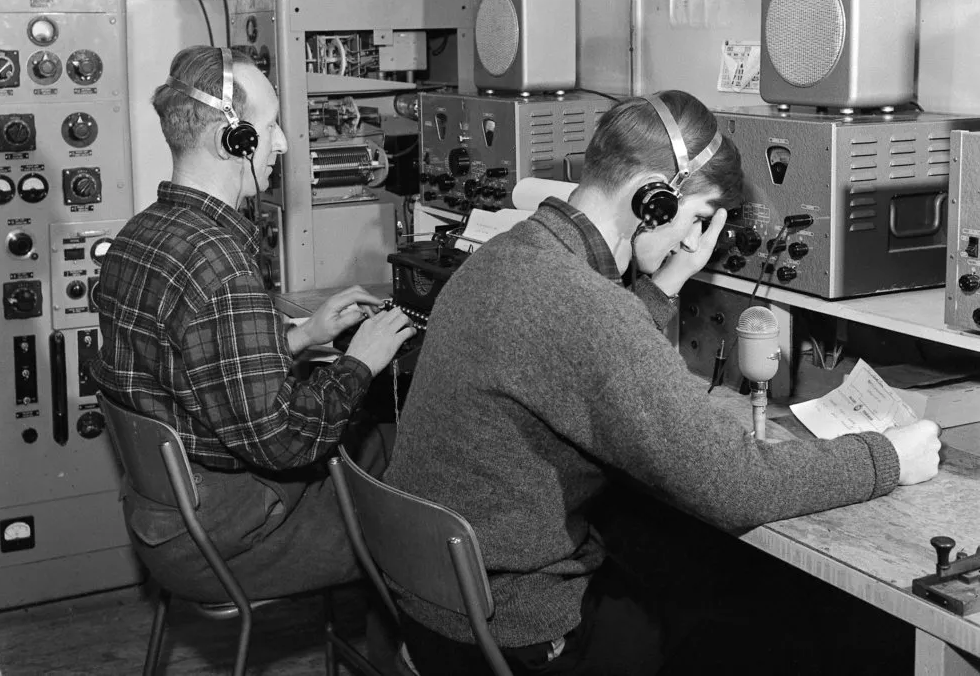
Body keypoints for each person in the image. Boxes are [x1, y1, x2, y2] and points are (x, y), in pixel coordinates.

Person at [384, 90, 941, 676]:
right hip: (520, 636)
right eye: (696, 218)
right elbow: (737, 485)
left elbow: (577, 358)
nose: (692, 237)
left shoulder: (509, 253)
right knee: (793, 626)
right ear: (653, 196)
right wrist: (887, 458)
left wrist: (668, 278)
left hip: (438, 613)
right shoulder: (585, 306)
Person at [90, 45, 416, 603]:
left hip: (165, 517)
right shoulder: (220, 264)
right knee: (414, 484)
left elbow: (194, 369)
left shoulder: (139, 234)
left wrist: (304, 336)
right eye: (271, 127)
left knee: (381, 450)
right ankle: (417, 651)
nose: (284, 142)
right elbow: (285, 443)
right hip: (232, 535)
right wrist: (362, 360)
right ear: (232, 140)